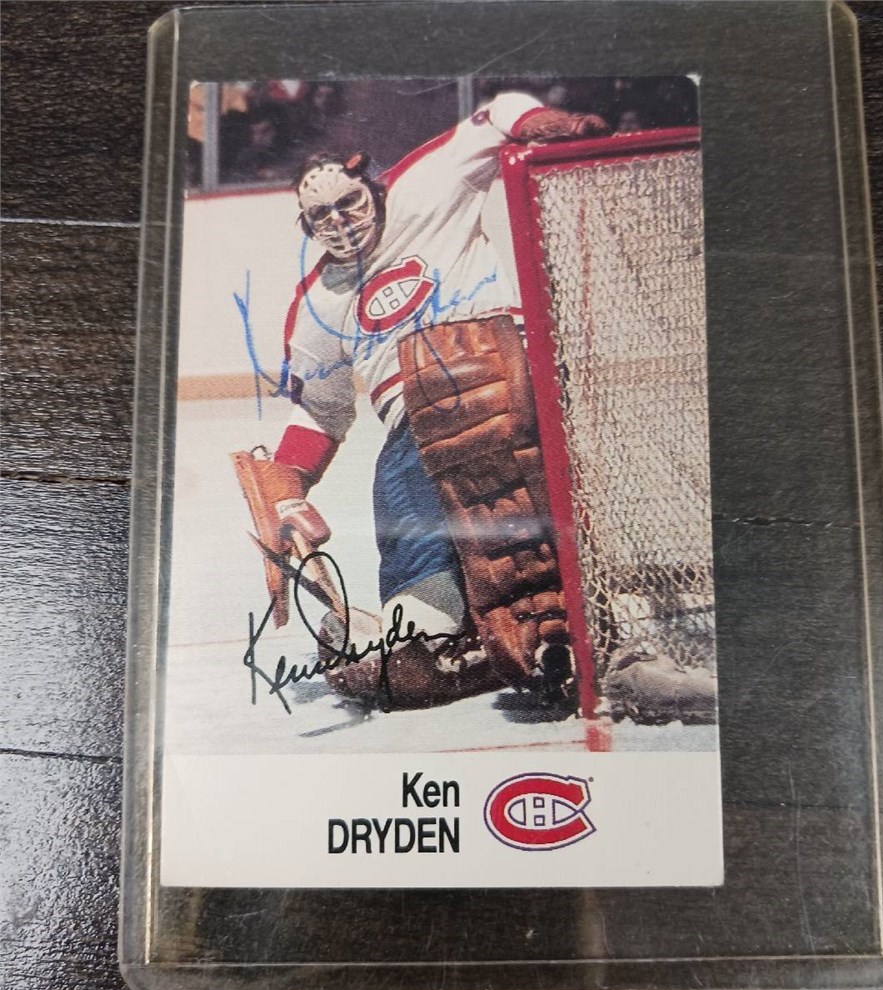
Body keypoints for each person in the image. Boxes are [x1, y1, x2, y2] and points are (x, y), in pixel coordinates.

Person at [233, 92, 609, 710]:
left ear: (373, 186)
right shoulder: (318, 303)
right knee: (406, 478)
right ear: (305, 225)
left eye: (348, 203)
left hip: (511, 372)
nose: (339, 222)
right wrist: (285, 486)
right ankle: (425, 624)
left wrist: (540, 122)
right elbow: (321, 410)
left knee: (478, 484)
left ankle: (445, 623)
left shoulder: (425, 186)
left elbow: (496, 114)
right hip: (417, 420)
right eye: (320, 215)